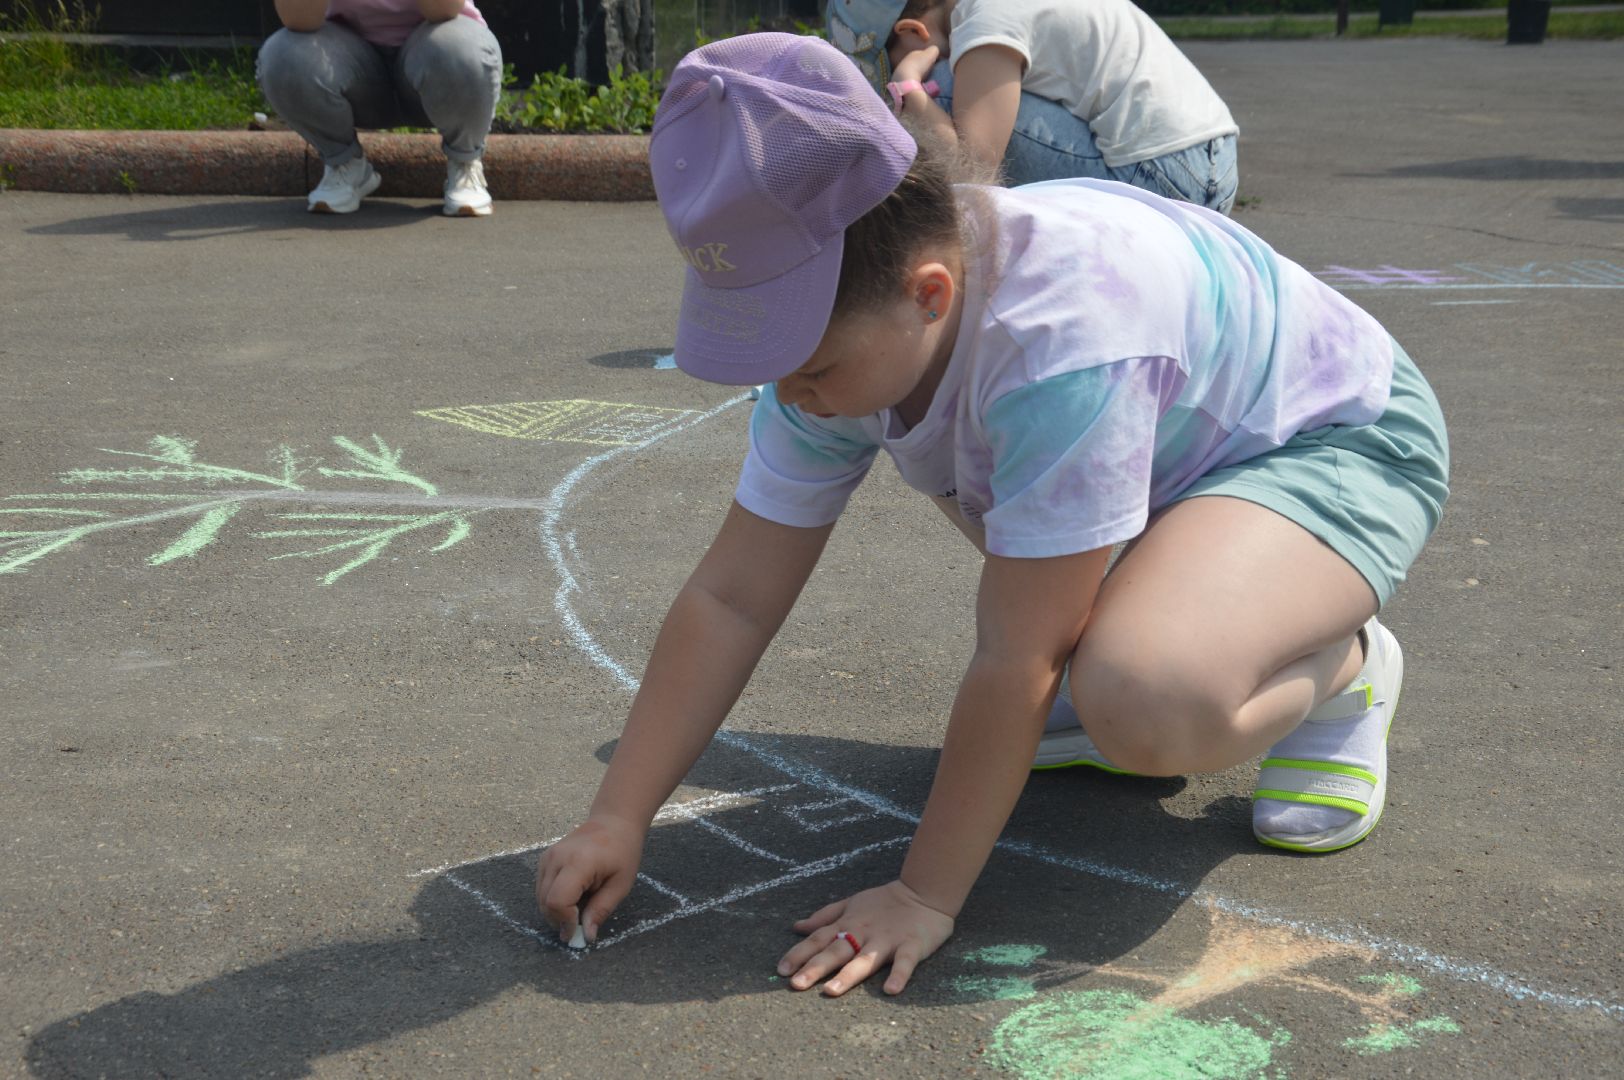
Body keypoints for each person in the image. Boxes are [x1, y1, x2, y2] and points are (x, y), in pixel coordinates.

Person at [534, 34, 1448, 998]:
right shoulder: (847, 333)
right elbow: (732, 596)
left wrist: (925, 894)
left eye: (808, 367)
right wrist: (617, 816)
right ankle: (1155, 616)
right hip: (1172, 461)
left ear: (929, 294)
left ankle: (1346, 665)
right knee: (1036, 573)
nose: (789, 395)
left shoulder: (1062, 336)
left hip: (1328, 441)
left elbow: (1019, 654)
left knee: (1143, 700)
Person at [827, 0, 1240, 211]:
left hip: (1172, 183)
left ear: (912, 30)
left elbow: (974, 171)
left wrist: (905, 86)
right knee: (954, 100)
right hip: (1206, 165)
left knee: (939, 93)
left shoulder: (987, 20)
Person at [258, 0, 502, 216]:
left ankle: (465, 163)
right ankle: (345, 164)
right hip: (350, 64)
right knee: (284, 56)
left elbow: (443, 10)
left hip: (434, 53)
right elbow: (299, 20)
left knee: (458, 50)